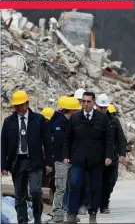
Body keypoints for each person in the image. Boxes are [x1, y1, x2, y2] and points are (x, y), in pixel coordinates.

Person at [1, 90, 53, 224]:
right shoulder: (9, 122)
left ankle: (37, 217)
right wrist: (3, 164)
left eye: (21, 105)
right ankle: (22, 221)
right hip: (17, 162)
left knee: (35, 191)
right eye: (16, 106)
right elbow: (3, 144)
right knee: (20, 194)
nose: (18, 108)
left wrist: (48, 163)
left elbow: (47, 141)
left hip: (34, 161)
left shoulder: (39, 120)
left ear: (27, 103)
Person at [63, 92, 114, 224]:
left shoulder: (102, 118)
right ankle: (72, 214)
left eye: (88, 101)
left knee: (95, 187)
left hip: (96, 159)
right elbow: (67, 139)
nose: (86, 104)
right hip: (78, 158)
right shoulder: (75, 118)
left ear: (93, 103)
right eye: (83, 101)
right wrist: (66, 155)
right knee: (75, 184)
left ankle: (92, 214)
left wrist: (108, 156)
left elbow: (109, 139)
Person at [95, 94, 130, 214]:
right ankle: (95, 203)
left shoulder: (114, 121)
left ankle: (104, 204)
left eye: (105, 107)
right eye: (101, 108)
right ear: (96, 106)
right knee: (96, 181)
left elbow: (121, 138)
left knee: (110, 181)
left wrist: (122, 154)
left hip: (112, 157)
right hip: (96, 157)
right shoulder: (91, 120)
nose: (104, 110)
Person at [51, 97, 82, 223]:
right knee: (61, 187)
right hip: (61, 161)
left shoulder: (77, 122)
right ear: (71, 110)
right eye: (76, 110)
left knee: (72, 187)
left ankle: (70, 214)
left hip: (74, 160)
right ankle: (58, 213)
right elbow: (61, 141)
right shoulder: (58, 123)